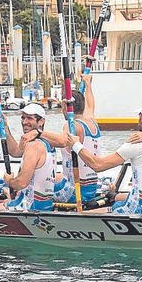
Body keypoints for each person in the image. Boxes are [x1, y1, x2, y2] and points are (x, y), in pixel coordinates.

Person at [0, 102, 56, 212]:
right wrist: (5, 128)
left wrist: (9, 181)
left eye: (29, 118)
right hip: (42, 204)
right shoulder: (47, 142)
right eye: (23, 118)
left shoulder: (34, 146)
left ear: (41, 122)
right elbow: (16, 152)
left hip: (29, 206)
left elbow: (21, 183)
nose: (24, 122)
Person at [50, 72, 103, 204]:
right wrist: (87, 84)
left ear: (64, 106)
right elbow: (90, 103)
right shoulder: (91, 120)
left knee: (36, 184)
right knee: (55, 177)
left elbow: (62, 141)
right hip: (91, 188)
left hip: (76, 191)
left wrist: (39, 133)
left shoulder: (71, 126)